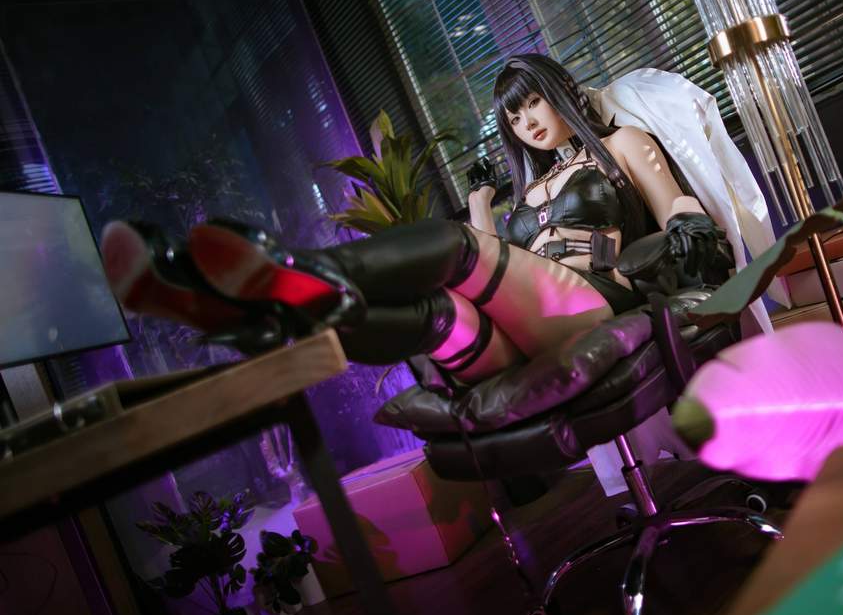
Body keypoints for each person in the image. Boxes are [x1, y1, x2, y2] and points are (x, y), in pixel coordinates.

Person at [101, 55, 741, 383]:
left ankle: (286, 270)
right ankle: (238, 306)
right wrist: (484, 204)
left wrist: (689, 236)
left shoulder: (620, 143)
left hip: (592, 300)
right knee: (434, 314)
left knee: (454, 249)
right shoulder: (528, 189)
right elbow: (501, 270)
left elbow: (676, 207)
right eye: (514, 118)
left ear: (561, 91)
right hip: (526, 320)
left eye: (533, 104)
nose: (527, 124)